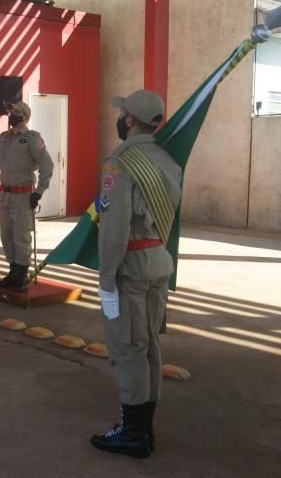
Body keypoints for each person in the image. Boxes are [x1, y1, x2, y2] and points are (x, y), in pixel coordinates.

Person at [91, 89, 182, 459]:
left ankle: (133, 435)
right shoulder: (167, 160)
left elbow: (116, 230)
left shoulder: (120, 163)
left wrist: (106, 280)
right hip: (158, 260)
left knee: (129, 350)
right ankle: (144, 429)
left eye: (122, 113)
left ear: (130, 120)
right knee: (149, 349)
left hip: (131, 267)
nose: (119, 118)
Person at [0, 101, 53, 291]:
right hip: (5, 196)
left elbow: (47, 166)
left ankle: (22, 276)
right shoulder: (3, 138)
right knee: (6, 236)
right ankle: (12, 272)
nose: (11, 115)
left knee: (21, 237)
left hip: (24, 196)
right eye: (10, 112)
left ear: (24, 116)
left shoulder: (32, 138)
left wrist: (40, 191)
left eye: (15, 112)